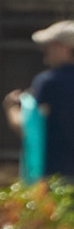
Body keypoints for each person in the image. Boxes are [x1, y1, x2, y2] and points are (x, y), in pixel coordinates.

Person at [21, 17, 74, 180]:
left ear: (63, 48)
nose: (45, 51)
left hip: (56, 176)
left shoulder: (48, 82)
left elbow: (28, 128)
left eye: (49, 45)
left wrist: (12, 109)